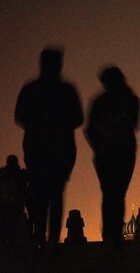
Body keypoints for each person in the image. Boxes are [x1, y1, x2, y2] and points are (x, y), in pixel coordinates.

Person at [15, 47, 84, 251]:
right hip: (58, 149)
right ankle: (50, 237)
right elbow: (78, 118)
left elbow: (20, 116)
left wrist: (39, 125)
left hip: (40, 149)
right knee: (53, 194)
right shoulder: (66, 90)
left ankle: (42, 236)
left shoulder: (31, 89)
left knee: (42, 194)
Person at [85, 66, 140, 249]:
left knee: (110, 194)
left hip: (112, 151)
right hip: (120, 150)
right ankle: (113, 233)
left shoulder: (101, 102)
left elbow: (89, 129)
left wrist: (100, 146)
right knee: (116, 194)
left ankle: (111, 233)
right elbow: (134, 124)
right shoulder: (131, 100)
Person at [0, 155, 27, 245]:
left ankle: (7, 239)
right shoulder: (21, 173)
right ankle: (8, 239)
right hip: (11, 203)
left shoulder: (3, 172)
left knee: (8, 221)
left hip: (10, 203)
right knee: (10, 221)